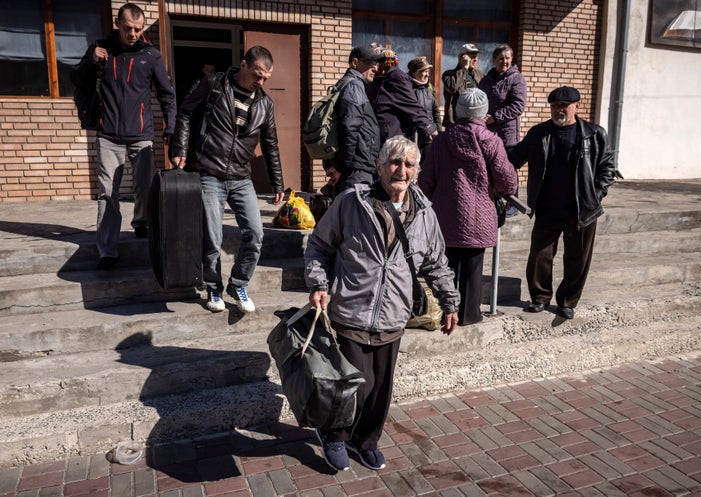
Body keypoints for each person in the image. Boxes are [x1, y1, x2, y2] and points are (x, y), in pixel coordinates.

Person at [305, 135, 460, 472]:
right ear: (379, 165)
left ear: (417, 171)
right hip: (352, 310)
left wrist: (449, 301)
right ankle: (334, 435)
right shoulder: (351, 202)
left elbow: (436, 262)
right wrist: (318, 283)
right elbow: (319, 245)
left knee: (380, 392)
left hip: (393, 315)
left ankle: (366, 442)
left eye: (408, 164)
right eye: (393, 162)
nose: (400, 170)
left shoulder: (424, 214)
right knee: (356, 385)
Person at [171, 46, 285, 314]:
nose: (261, 82)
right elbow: (185, 113)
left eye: (266, 78)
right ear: (243, 65)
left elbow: (271, 145)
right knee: (213, 237)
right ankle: (213, 287)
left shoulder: (265, 104)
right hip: (210, 172)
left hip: (241, 177)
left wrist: (278, 183)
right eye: (258, 75)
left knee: (255, 233)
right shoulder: (214, 84)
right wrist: (179, 149)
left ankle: (238, 284)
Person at [71, 2, 176, 271]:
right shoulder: (100, 49)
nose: (133, 34)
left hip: (141, 134)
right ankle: (107, 249)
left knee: (144, 187)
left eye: (138, 29)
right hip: (108, 134)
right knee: (108, 193)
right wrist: (92, 60)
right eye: (128, 28)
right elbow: (77, 79)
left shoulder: (150, 55)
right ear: (118, 24)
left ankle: (140, 222)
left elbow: (167, 94)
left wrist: (171, 128)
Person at [507, 86, 616, 320]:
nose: (559, 110)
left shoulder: (594, 134)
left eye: (564, 106)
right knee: (540, 255)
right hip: (547, 207)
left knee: (578, 257)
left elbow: (608, 167)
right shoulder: (539, 133)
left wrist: (596, 194)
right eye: (555, 106)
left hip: (582, 209)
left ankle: (567, 301)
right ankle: (539, 297)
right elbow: (514, 158)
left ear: (577, 106)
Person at [419, 88, 517, 326]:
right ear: (483, 112)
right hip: (480, 215)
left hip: (445, 214)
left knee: (445, 266)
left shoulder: (441, 140)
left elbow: (426, 181)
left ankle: (445, 313)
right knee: (474, 268)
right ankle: (470, 315)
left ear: (459, 111)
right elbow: (506, 180)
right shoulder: (491, 140)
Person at [324, 45, 385, 197]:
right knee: (355, 215)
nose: (375, 68)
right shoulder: (353, 86)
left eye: (376, 64)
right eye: (370, 63)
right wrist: (341, 166)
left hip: (355, 167)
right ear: (355, 63)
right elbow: (349, 128)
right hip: (355, 170)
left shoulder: (351, 85)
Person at [479, 44, 527, 217]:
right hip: (487, 133)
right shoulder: (486, 80)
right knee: (489, 168)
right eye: (500, 58)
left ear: (511, 59)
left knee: (507, 169)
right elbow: (479, 100)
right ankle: (492, 202)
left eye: (507, 58)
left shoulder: (516, 79)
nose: (504, 61)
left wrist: (495, 117)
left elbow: (518, 106)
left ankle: (511, 204)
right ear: (494, 60)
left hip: (506, 135)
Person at [369, 49, 439, 147]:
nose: (376, 67)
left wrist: (430, 127)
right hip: (379, 137)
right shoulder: (378, 79)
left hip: (395, 138)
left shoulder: (397, 77)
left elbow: (413, 106)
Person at [407, 56, 442, 162]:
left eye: (428, 71)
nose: (427, 74)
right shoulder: (407, 87)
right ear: (414, 72)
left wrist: (438, 131)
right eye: (424, 71)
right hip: (412, 138)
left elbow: (435, 111)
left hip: (429, 138)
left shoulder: (429, 88)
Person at [442, 43, 484, 127]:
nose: (475, 59)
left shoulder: (481, 75)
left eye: (476, 56)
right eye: (472, 56)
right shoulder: (449, 75)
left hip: (476, 123)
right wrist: (464, 69)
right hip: (455, 123)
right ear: (462, 57)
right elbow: (452, 87)